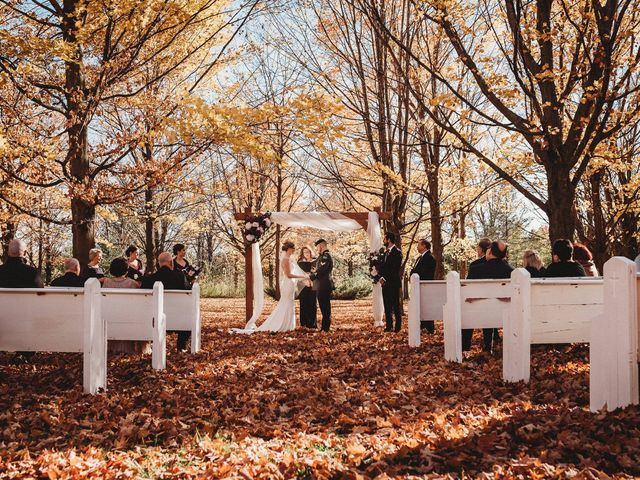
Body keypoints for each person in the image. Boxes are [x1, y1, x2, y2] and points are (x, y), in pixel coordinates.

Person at [464, 240, 514, 353]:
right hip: (505, 313)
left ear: (489, 251)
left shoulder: (476, 269)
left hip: (478, 311)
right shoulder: (512, 271)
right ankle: (488, 347)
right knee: (490, 306)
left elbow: (467, 292)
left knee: (473, 307)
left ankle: (465, 347)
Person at [248, 241, 309, 332]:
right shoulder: (285, 259)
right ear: (289, 249)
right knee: (286, 303)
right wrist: (303, 276)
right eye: (292, 249)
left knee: (289, 303)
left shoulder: (288, 259)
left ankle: (288, 325)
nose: (293, 250)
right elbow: (289, 275)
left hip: (290, 284)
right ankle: (282, 324)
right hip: (288, 283)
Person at [141, 252, 191, 351]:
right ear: (171, 262)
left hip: (153, 320)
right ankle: (181, 347)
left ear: (159, 263)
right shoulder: (180, 277)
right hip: (178, 319)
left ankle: (154, 345)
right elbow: (188, 293)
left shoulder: (149, 279)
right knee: (187, 315)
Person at [102, 257, 149, 355]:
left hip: (110, 315)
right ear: (126, 270)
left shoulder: (106, 282)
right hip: (129, 316)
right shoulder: (132, 283)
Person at [410, 239, 437, 332]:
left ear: (424, 246)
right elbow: (414, 270)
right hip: (418, 286)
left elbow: (425, 272)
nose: (417, 247)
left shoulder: (430, 258)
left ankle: (429, 328)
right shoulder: (419, 258)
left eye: (418, 245)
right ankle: (422, 326)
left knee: (427, 307)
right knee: (420, 307)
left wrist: (415, 274)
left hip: (425, 286)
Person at [379, 232, 403, 333]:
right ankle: (389, 326)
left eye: (384, 239)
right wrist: (380, 277)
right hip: (385, 284)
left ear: (389, 240)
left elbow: (394, 269)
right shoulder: (385, 253)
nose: (383, 241)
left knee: (395, 306)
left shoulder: (397, 252)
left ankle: (397, 327)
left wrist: (385, 278)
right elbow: (383, 268)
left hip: (393, 283)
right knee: (387, 305)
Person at [310, 239, 334, 332]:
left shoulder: (326, 256)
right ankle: (324, 327)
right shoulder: (321, 256)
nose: (316, 248)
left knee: (325, 306)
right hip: (321, 284)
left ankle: (325, 328)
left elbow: (322, 270)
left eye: (317, 246)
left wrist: (312, 276)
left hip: (325, 284)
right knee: (323, 306)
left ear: (321, 246)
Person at [297, 246, 317, 329]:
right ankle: (303, 324)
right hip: (303, 285)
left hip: (313, 284)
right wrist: (304, 280)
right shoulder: (300, 262)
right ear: (302, 253)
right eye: (304, 252)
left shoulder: (315, 261)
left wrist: (311, 279)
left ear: (310, 252)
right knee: (303, 304)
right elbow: (297, 274)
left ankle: (312, 324)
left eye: (308, 252)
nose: (306, 254)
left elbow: (317, 272)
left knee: (312, 304)